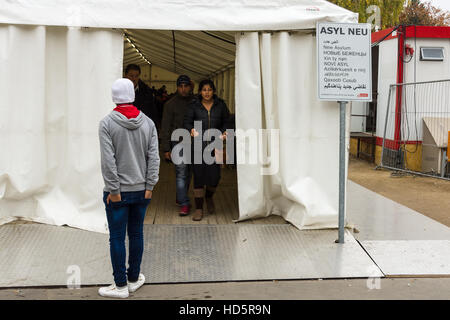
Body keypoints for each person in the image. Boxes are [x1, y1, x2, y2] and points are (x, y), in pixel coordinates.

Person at [98, 78, 160, 298]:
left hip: (118, 193)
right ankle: (133, 279)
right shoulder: (148, 123)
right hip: (142, 190)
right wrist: (150, 184)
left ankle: (120, 285)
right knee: (136, 234)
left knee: (116, 237)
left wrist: (114, 190)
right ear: (132, 96)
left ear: (114, 97)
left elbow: (108, 161)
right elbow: (154, 157)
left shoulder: (107, 124)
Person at [184, 79, 230, 221]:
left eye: (209, 89)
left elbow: (228, 121)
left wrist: (224, 132)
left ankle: (209, 197)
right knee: (198, 177)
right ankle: (199, 209)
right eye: (204, 90)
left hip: (215, 144)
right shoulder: (194, 106)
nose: (207, 92)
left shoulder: (221, 105)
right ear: (200, 92)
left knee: (215, 177)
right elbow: (187, 122)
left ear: (214, 91)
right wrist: (190, 129)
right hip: (198, 145)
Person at [160, 75, 194, 216]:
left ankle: (181, 195)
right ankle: (184, 203)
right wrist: (166, 148)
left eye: (186, 86)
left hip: (194, 143)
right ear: (177, 87)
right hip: (178, 142)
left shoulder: (196, 102)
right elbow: (165, 127)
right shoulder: (170, 104)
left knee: (189, 173)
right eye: (181, 86)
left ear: (190, 86)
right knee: (181, 173)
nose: (183, 89)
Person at [124, 64, 159, 129]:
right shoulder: (119, 91)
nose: (134, 79)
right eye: (131, 76)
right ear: (125, 76)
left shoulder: (147, 92)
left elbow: (152, 113)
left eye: (136, 76)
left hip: (142, 129)